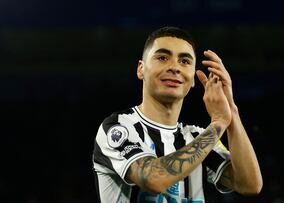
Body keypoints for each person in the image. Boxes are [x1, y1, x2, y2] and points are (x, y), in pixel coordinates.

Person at [92, 26, 262, 203]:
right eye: (163, 58)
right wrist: (218, 123)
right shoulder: (117, 127)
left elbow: (249, 185)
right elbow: (153, 180)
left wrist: (231, 111)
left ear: (193, 78)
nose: (175, 67)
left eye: (185, 61)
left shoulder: (198, 137)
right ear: (141, 69)